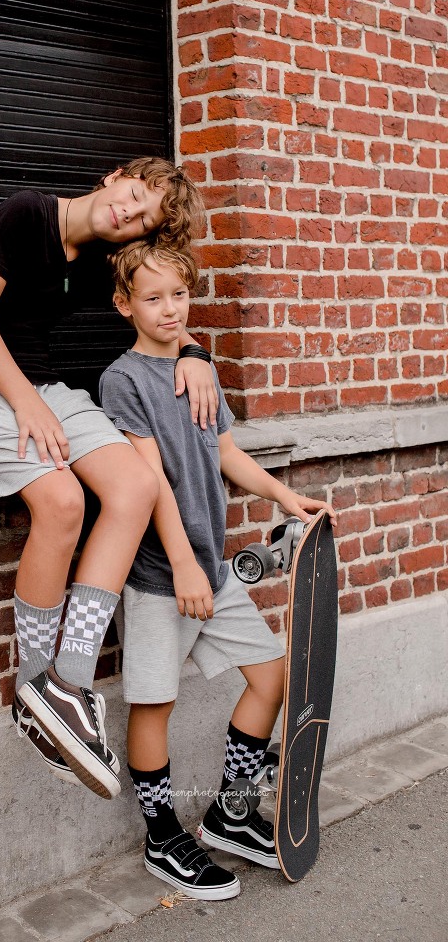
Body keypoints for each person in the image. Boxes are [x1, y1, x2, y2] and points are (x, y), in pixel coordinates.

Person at [0, 158, 216, 799]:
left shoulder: (102, 257)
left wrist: (194, 353)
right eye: (134, 196)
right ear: (116, 177)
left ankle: (69, 684)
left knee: (136, 485)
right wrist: (25, 402)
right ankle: (34, 687)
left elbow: (159, 293)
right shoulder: (27, 213)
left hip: (43, 390)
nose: (129, 214)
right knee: (60, 501)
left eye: (142, 220)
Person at [99, 240, 336, 896]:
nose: (170, 309)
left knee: (272, 679)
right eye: (153, 298)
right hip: (159, 578)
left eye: (179, 294)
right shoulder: (122, 381)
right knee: (154, 705)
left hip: (215, 568)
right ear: (124, 306)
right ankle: (162, 837)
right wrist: (181, 566)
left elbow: (225, 450)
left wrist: (283, 496)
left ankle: (231, 813)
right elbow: (148, 483)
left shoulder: (199, 370)